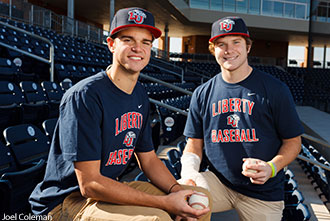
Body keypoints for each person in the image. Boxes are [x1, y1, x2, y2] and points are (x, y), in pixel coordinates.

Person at [29, 7, 211, 221]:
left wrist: (175, 190)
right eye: (128, 40)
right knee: (155, 218)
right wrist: (164, 203)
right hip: (67, 201)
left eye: (145, 42)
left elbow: (150, 160)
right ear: (111, 44)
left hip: (109, 188)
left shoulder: (139, 95)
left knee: (198, 199)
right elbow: (90, 184)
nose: (138, 48)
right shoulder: (85, 96)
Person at [179, 16, 304, 221]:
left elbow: (293, 142)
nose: (229, 50)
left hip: (263, 192)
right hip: (219, 183)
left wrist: (271, 167)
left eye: (236, 42)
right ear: (214, 49)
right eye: (221, 44)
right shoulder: (202, 94)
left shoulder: (275, 89)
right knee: (179, 202)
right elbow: (194, 143)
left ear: (248, 47)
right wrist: (190, 173)